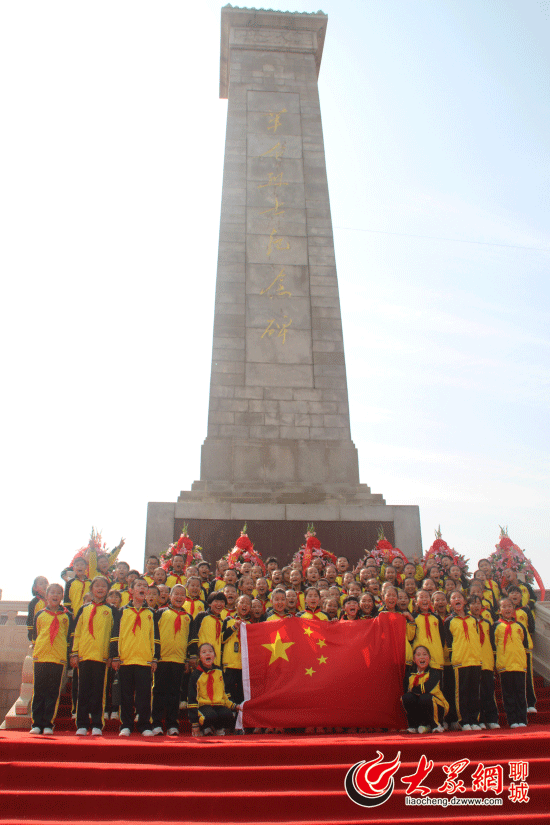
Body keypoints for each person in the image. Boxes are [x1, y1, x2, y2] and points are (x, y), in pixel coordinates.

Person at [110, 577, 160, 736]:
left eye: (145, 586)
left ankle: (145, 725)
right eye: (139, 585)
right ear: (131, 590)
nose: (143, 588)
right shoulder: (122, 611)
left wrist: (155, 658)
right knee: (125, 694)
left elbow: (155, 637)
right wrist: (115, 656)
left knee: (144, 695)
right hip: (125, 659)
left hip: (144, 660)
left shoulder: (151, 613)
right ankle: (126, 725)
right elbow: (115, 635)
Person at [71, 575, 115, 736]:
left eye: (104, 586)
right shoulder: (84, 609)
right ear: (92, 589)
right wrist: (75, 653)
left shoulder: (111, 610)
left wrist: (111, 655)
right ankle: (81, 724)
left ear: (107, 590)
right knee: (82, 691)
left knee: (99, 692)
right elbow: (77, 632)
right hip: (84, 656)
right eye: (97, 585)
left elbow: (113, 636)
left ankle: (97, 723)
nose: (100, 588)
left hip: (101, 657)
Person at [30, 583, 71, 735]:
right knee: (38, 691)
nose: (55, 595)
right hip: (41, 656)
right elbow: (36, 633)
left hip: (58, 658)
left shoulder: (67, 616)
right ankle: (36, 723)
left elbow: (67, 637)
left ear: (62, 597)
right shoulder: (40, 614)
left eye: (58, 593)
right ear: (46, 596)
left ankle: (48, 723)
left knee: (53, 692)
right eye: (52, 592)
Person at [151, 584, 192, 736]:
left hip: (179, 660)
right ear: (170, 596)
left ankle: (172, 724)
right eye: (176, 594)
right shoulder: (160, 613)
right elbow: (154, 635)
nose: (179, 597)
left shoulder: (188, 617)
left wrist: (187, 660)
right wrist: (155, 657)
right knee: (159, 691)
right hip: (162, 659)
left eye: (183, 595)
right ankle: (156, 723)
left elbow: (189, 640)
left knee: (175, 693)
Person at [444, 590, 482, 731]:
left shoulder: (473, 620)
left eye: (459, 597)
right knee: (462, 692)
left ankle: (474, 720)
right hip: (460, 661)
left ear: (465, 601)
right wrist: (456, 657)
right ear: (451, 603)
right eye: (453, 598)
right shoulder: (449, 621)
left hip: (475, 660)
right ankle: (464, 720)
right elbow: (449, 641)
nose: (457, 599)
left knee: (474, 692)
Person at [188, 643, 242, 737]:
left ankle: (217, 728)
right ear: (199, 657)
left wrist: (234, 706)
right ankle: (204, 727)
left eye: (210, 651)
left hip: (218, 704)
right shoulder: (196, 675)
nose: (207, 654)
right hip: (203, 706)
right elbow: (192, 698)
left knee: (229, 715)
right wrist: (194, 724)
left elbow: (225, 694)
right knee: (209, 716)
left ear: (214, 655)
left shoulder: (219, 671)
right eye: (204, 652)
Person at [491, 598, 529, 728]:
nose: (507, 609)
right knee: (508, 694)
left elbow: (525, 644)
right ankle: (512, 720)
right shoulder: (496, 626)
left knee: (520, 693)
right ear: (499, 610)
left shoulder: (520, 626)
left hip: (519, 664)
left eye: (509, 607)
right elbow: (493, 646)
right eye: (504, 607)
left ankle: (522, 719)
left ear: (513, 610)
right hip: (505, 665)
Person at [468, 595, 499, 729]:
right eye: (473, 603)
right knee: (475, 693)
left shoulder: (487, 623)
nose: (476, 606)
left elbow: (492, 643)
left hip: (487, 661)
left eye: (478, 603)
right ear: (468, 606)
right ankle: (478, 719)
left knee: (488, 692)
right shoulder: (468, 622)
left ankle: (492, 719)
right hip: (473, 661)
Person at [401, 646, 448, 734]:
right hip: (421, 705)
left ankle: (436, 725)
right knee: (407, 697)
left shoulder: (434, 673)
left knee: (425, 697)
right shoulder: (409, 675)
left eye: (424, 654)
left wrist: (414, 689)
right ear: (414, 659)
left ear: (429, 659)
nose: (422, 657)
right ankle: (413, 725)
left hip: (437, 706)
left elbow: (425, 689)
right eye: (418, 655)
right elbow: (407, 691)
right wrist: (413, 692)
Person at [27, 576, 48, 641]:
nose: (44, 585)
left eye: (46, 583)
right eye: (41, 584)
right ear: (35, 588)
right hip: (38, 632)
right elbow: (30, 618)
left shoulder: (53, 600)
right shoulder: (34, 602)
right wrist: (31, 633)